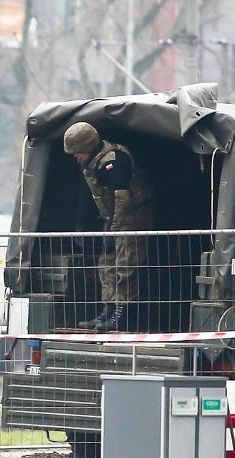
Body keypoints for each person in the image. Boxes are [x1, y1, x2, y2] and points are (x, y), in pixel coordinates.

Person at [63, 122, 154, 332]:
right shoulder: (90, 164)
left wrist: (114, 230)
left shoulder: (115, 160)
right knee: (106, 264)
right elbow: (88, 196)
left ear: (89, 147)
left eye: (78, 152)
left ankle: (122, 313)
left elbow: (121, 199)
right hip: (113, 217)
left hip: (133, 214)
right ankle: (108, 310)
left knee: (125, 264)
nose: (76, 157)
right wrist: (82, 226)